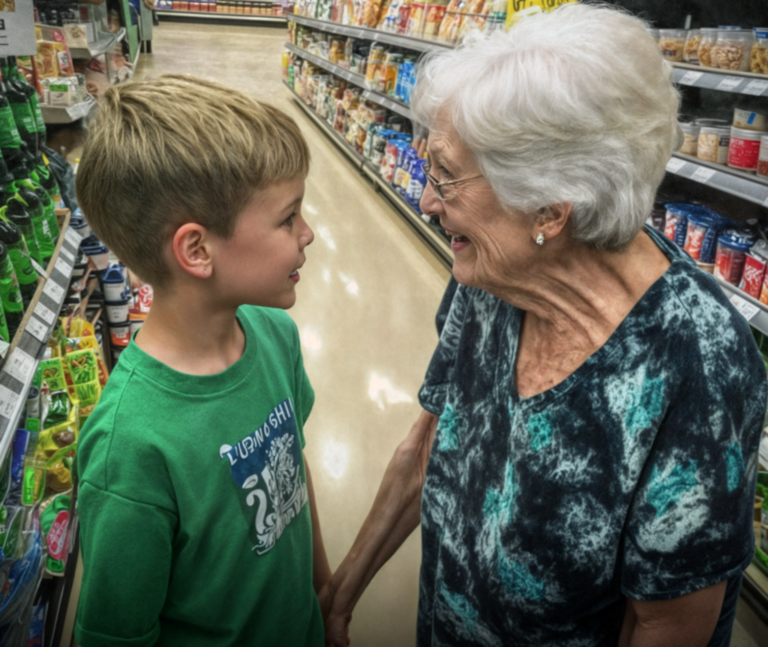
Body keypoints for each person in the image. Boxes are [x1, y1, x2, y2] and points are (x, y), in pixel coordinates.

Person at [320, 5, 768, 646]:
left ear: (548, 211)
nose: (427, 198)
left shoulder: (698, 364)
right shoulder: (494, 275)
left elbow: (665, 623)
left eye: (446, 175)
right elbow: (428, 448)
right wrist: (342, 595)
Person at [74, 75, 327, 646]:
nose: (307, 234)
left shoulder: (274, 334)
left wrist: (324, 592)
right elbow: (117, 632)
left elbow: (292, 474)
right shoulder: (131, 449)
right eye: (288, 218)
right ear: (196, 250)